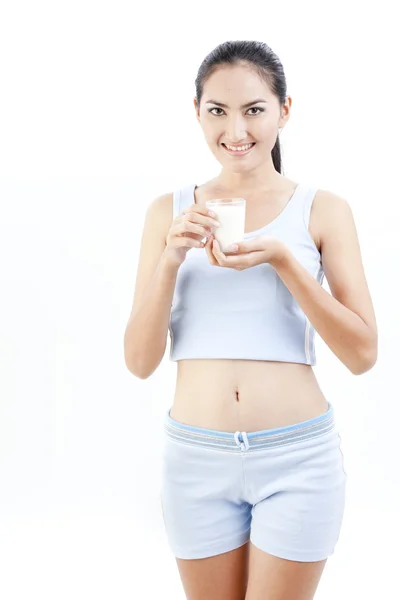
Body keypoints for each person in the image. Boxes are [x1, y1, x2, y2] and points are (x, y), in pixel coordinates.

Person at [124, 40, 378, 600]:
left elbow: (363, 354)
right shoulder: (166, 213)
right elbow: (139, 362)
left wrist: (285, 260)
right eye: (217, 110)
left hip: (297, 460)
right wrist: (171, 256)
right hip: (196, 460)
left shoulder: (323, 208)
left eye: (254, 109)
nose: (234, 129)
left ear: (285, 110)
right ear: (196, 112)